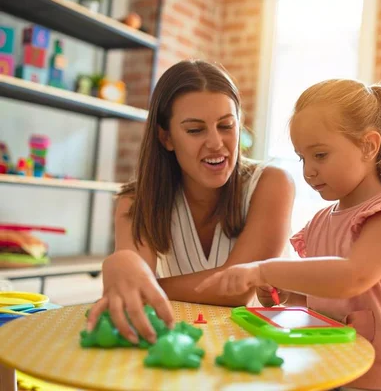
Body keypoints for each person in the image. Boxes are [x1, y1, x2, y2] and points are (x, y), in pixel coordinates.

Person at [195, 79, 381, 391]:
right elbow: (314, 299)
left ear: (369, 145)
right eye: (302, 158)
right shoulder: (321, 223)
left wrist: (263, 269)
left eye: (320, 155)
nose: (308, 171)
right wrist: (282, 293)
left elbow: (352, 277)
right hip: (330, 368)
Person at [85, 60, 295, 346]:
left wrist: (149, 286)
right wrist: (120, 266)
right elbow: (132, 278)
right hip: (182, 341)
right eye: (195, 130)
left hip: (254, 347)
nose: (216, 143)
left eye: (226, 126)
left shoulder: (272, 184)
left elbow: (237, 292)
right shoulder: (135, 201)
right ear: (166, 137)